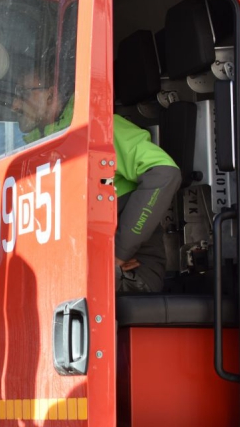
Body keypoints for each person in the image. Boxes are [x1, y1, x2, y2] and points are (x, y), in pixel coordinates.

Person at [10, 69, 181, 293]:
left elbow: (164, 173)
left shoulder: (99, 128)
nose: (14, 105)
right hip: (78, 267)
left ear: (51, 94)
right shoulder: (35, 150)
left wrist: (118, 252)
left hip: (131, 275)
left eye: (23, 94)